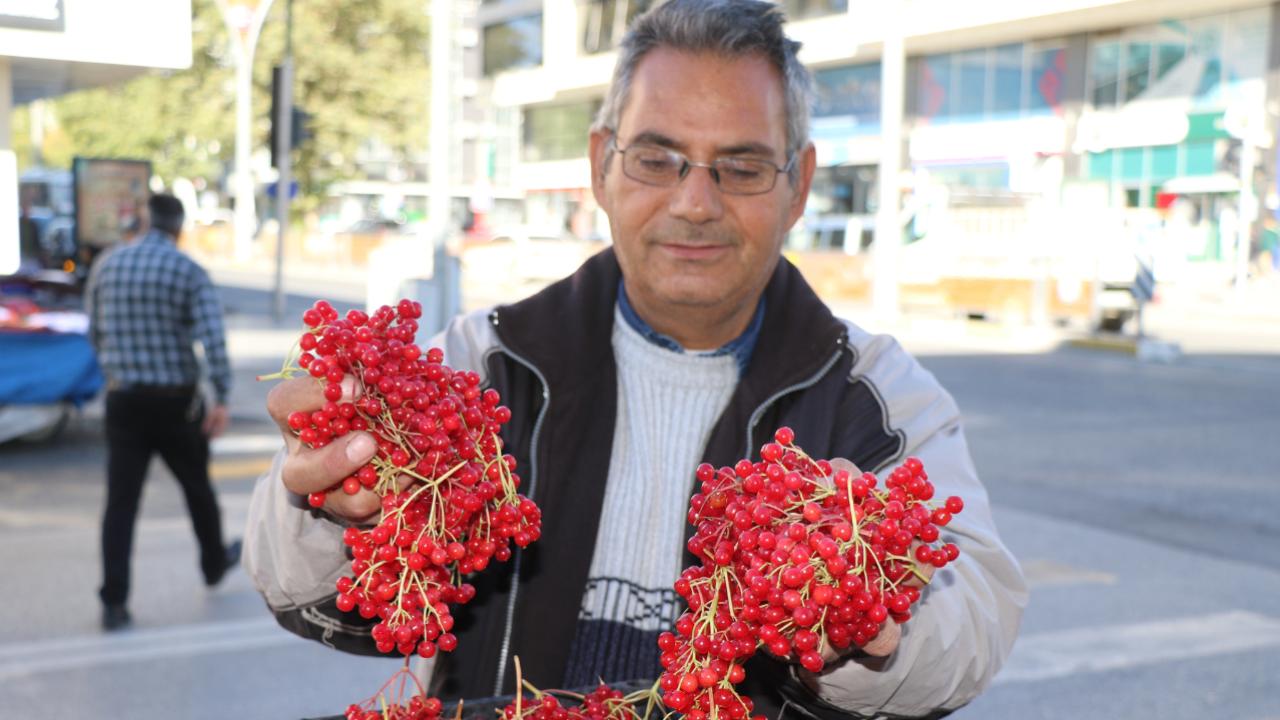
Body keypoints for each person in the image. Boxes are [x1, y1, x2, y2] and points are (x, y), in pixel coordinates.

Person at [244, 2, 1027, 718]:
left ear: (799, 187)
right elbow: (309, 595)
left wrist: (873, 621)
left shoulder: (876, 397)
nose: (695, 202)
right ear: (602, 166)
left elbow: (975, 615)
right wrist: (324, 498)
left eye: (743, 167)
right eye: (658, 159)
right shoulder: (479, 366)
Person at [86, 192, 241, 632]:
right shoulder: (188, 270)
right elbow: (213, 340)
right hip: (175, 403)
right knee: (197, 488)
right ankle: (213, 563)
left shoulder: (108, 265)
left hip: (124, 400)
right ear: (179, 227)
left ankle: (114, 602)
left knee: (120, 503)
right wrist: (223, 397)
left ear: (144, 220)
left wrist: (116, 371)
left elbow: (94, 332)